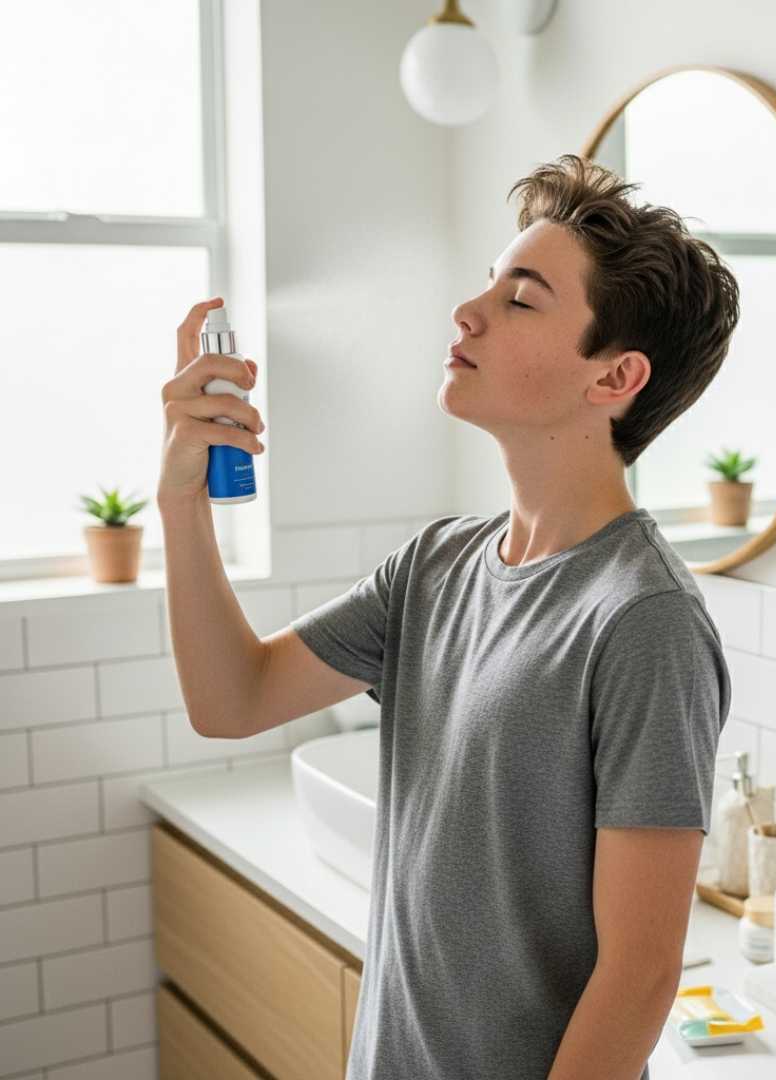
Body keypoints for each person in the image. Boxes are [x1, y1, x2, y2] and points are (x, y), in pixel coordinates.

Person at [158, 154, 739, 1080]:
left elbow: (639, 975)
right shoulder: (435, 565)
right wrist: (179, 501)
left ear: (614, 376)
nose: (468, 312)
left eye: (522, 298)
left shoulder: (644, 622)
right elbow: (233, 699)